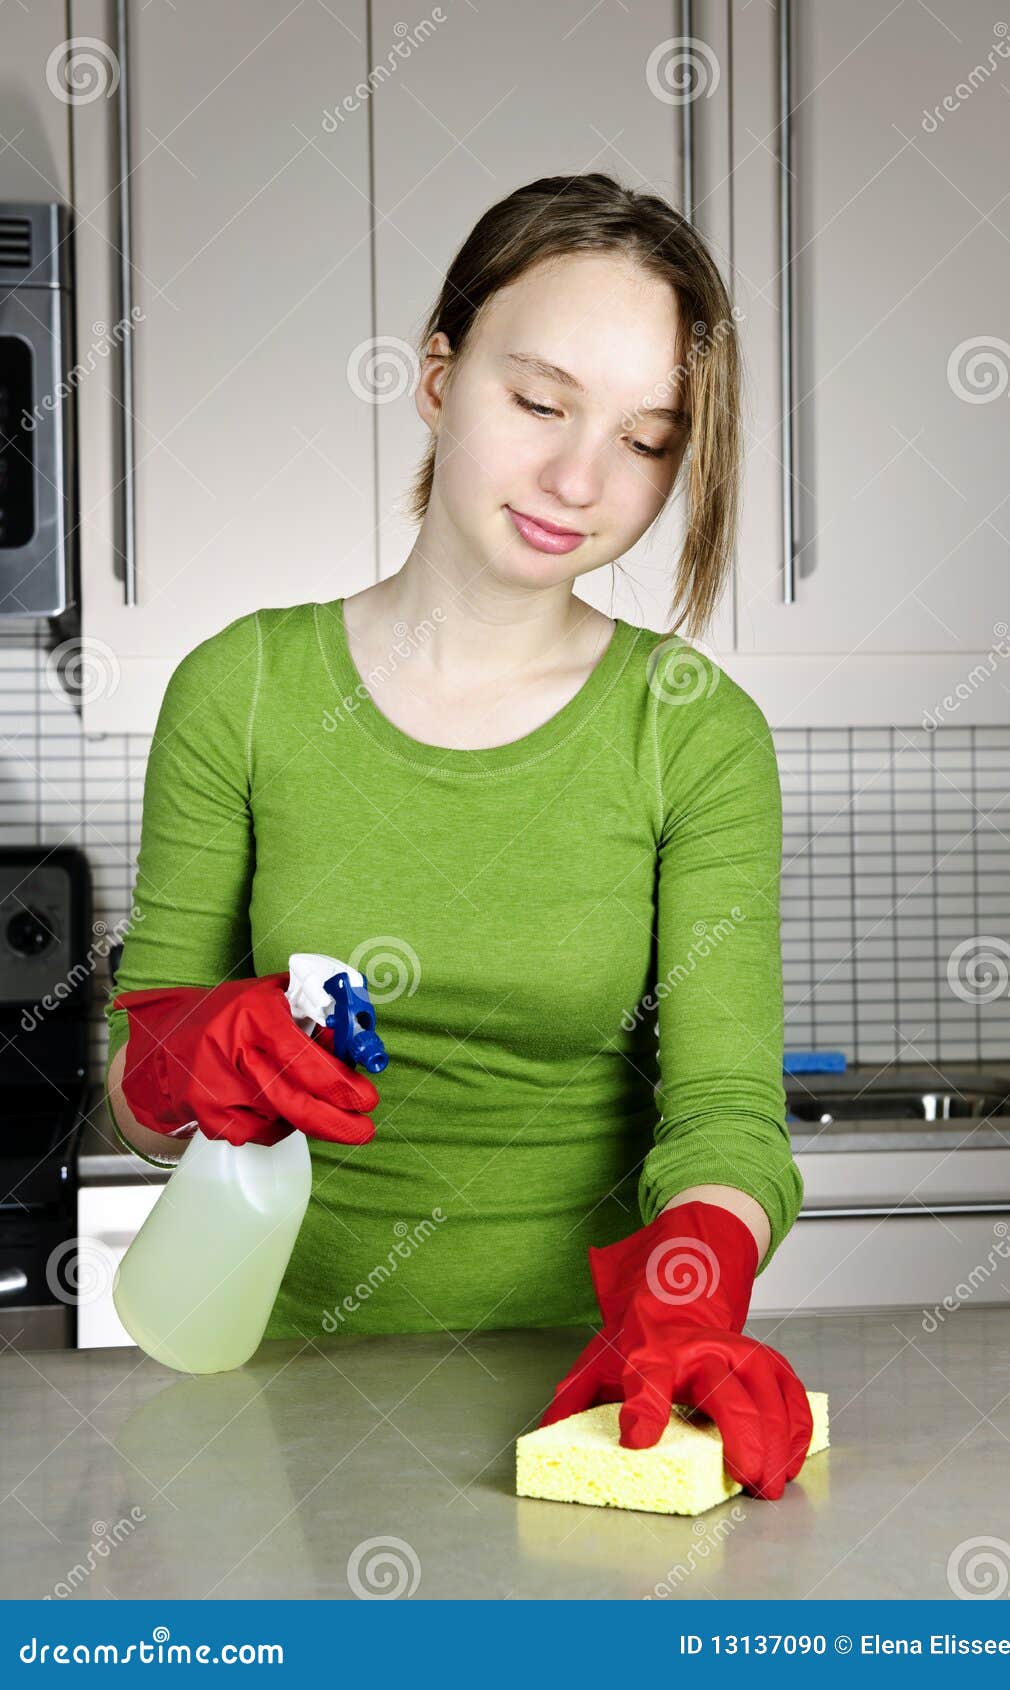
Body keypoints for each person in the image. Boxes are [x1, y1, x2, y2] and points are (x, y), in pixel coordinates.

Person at [107, 172, 812, 1500]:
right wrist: (187, 1047)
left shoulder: (693, 732)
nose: (578, 477)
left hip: (591, 1413)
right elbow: (137, 1081)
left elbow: (724, 1112)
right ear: (438, 374)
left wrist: (688, 1291)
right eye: (539, 403)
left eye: (649, 438)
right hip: (270, 1409)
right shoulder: (242, 691)